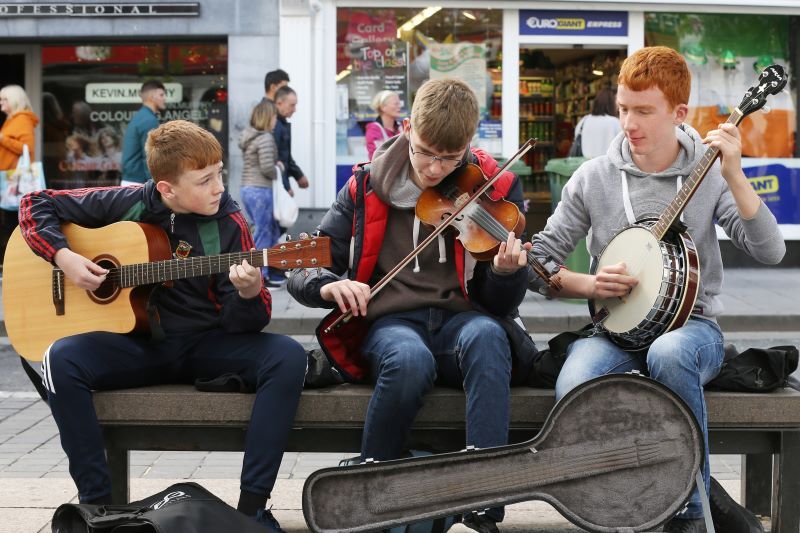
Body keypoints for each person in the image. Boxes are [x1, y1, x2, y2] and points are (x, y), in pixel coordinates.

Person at [529, 46, 785, 532]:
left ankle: (688, 511)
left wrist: (735, 173)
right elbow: (539, 263)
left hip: (694, 329)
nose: (629, 122)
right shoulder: (594, 178)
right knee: (574, 381)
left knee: (669, 353)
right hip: (613, 332)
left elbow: (770, 250)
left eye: (644, 111)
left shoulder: (708, 176)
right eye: (624, 108)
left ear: (679, 113)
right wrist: (587, 282)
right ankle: (618, 504)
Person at [19, 120, 307, 532]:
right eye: (205, 180)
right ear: (167, 188)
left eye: (220, 173)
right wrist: (62, 256)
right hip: (136, 345)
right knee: (60, 359)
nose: (219, 187)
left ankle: (252, 510)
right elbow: (34, 204)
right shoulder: (129, 201)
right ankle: (96, 508)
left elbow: (249, 322)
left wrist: (248, 293)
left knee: (287, 356)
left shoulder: (230, 224)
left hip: (205, 346)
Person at [288, 78, 532, 533]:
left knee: (488, 337)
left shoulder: (495, 187)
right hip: (392, 322)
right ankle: (373, 493)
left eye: (449, 157)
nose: (434, 169)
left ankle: (484, 502)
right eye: (424, 152)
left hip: (463, 320)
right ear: (405, 129)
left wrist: (506, 272)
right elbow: (306, 263)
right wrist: (327, 286)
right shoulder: (363, 187)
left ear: (468, 148)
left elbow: (502, 303)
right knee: (408, 358)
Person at [239, 99, 285, 288]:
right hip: (260, 189)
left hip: (248, 188)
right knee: (263, 233)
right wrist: (278, 169)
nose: (276, 121)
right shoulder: (265, 137)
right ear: (268, 118)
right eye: (274, 117)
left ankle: (266, 272)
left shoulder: (250, 136)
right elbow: (266, 167)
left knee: (263, 230)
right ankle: (260, 276)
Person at [0, 84, 39, 260]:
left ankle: (14, 260)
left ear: (14, 101)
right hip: (8, 178)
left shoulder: (22, 119)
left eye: (4, 99)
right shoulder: (11, 119)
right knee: (10, 220)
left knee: (13, 221)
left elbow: (26, 148)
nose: (0, 103)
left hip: (14, 180)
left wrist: (2, 139)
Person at [121, 80, 166, 185]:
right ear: (151, 97)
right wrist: (155, 184)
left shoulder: (141, 116)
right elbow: (149, 156)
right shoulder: (149, 120)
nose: (164, 98)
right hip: (139, 183)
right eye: (161, 94)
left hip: (133, 181)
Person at [273, 86, 309, 196]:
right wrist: (286, 187)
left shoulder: (282, 123)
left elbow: (285, 156)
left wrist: (298, 175)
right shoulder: (274, 125)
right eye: (292, 105)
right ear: (279, 103)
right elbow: (275, 160)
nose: (295, 109)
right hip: (276, 186)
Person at [573, 86, 622, 158]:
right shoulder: (615, 123)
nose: (619, 105)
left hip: (584, 166)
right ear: (611, 102)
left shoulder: (583, 121)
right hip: (607, 166)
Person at [364, 90, 403, 159]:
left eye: (399, 104)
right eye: (396, 104)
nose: (399, 107)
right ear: (383, 107)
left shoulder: (401, 127)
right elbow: (376, 158)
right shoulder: (374, 129)